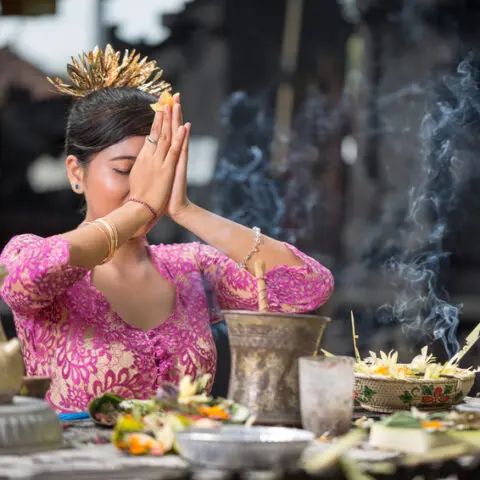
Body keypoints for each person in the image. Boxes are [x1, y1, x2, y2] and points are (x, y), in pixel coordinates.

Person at [0, 45, 334, 413]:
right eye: (126, 171)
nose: (146, 187)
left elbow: (308, 286)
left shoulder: (191, 267)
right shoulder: (29, 253)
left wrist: (186, 210)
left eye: (157, 173)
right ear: (76, 173)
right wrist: (139, 206)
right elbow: (28, 278)